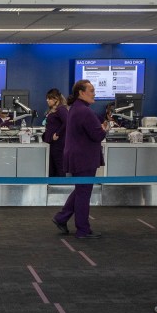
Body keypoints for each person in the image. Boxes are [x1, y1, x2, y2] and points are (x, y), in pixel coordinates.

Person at [51, 80, 108, 239]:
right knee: (84, 193)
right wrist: (105, 128)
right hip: (85, 158)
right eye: (91, 90)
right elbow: (98, 135)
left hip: (78, 156)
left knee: (81, 190)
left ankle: (61, 217)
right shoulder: (84, 111)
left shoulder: (76, 109)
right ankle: (82, 229)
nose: (94, 93)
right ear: (81, 93)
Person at [43, 88, 67, 176]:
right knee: (52, 167)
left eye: (49, 98)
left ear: (56, 99)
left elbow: (67, 122)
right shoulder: (53, 110)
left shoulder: (61, 109)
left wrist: (57, 133)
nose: (47, 100)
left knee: (59, 166)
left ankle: (61, 186)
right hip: (52, 143)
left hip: (58, 144)